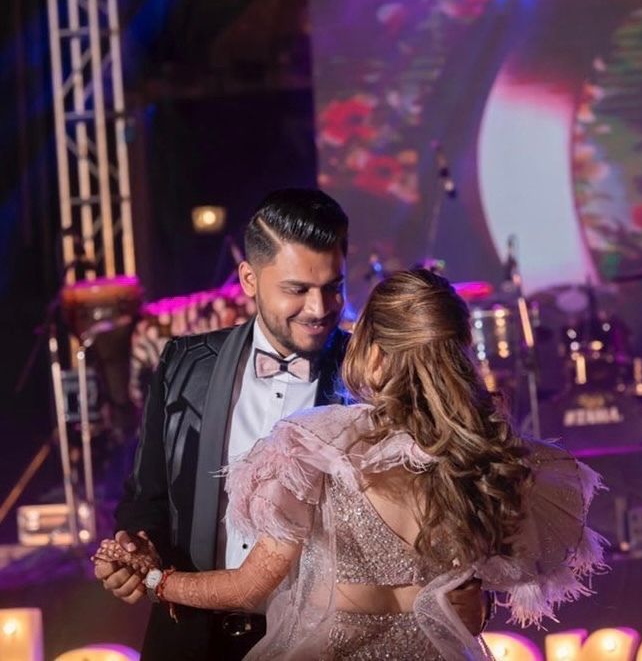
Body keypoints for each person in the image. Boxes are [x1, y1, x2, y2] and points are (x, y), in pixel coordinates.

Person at [94, 269, 606, 660]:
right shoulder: (484, 459)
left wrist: (157, 580)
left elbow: (248, 588)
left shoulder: (319, 446)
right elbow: (475, 592)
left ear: (376, 353)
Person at [94, 192, 486, 660]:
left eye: (333, 287)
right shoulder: (185, 363)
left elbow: (446, 508)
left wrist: (471, 598)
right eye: (297, 289)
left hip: (325, 646)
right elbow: (147, 497)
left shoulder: (374, 373)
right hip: (192, 639)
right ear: (249, 279)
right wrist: (138, 549)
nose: (320, 308)